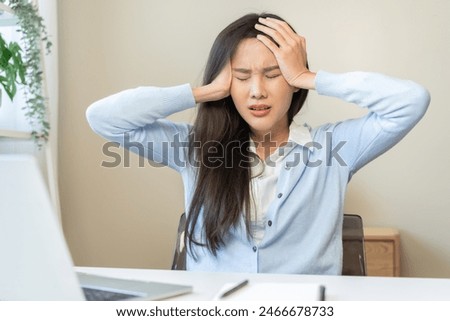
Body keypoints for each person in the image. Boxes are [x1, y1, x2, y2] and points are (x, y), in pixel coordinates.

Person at [86, 13, 430, 275]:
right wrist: (202, 92)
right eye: (241, 77)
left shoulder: (333, 148)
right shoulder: (195, 149)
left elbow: (411, 101)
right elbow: (103, 118)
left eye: (273, 74)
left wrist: (309, 78)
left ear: (293, 81)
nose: (257, 91)